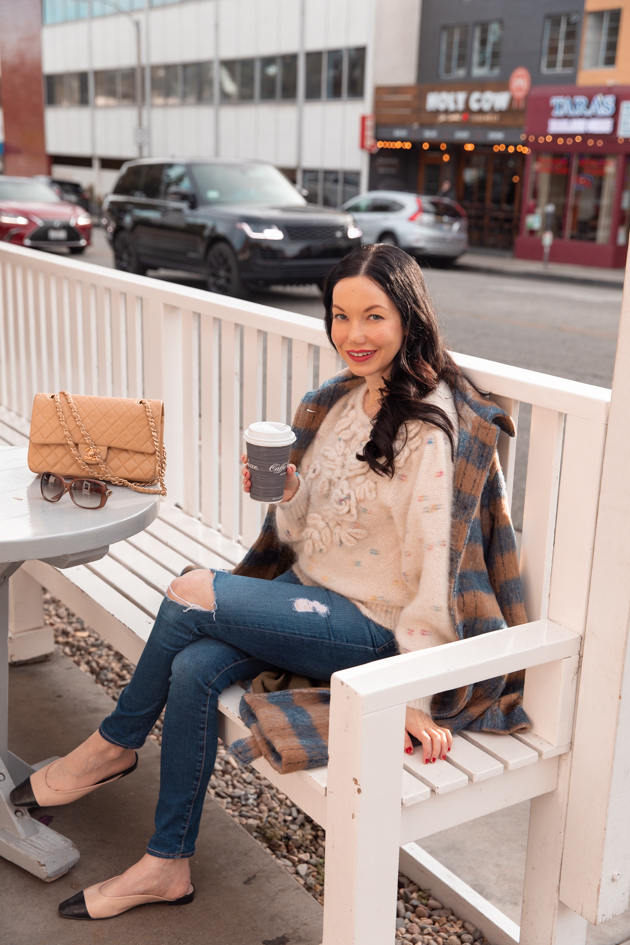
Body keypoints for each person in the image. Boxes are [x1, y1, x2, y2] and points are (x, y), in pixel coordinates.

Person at [10, 244, 528, 921]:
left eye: (374, 316)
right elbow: (320, 529)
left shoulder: (428, 429)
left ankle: (111, 745)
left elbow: (437, 570)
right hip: (308, 601)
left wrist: (408, 692)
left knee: (191, 589)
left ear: (409, 316)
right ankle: (166, 863)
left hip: (368, 629)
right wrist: (288, 490)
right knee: (195, 667)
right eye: (340, 316)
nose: (354, 334)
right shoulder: (345, 400)